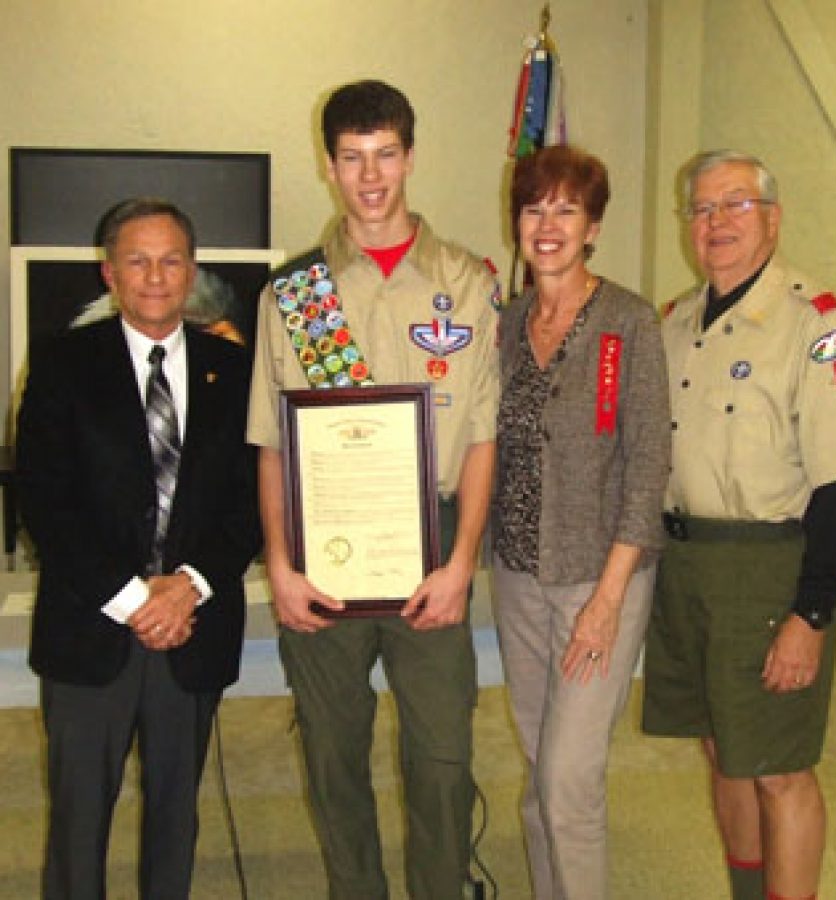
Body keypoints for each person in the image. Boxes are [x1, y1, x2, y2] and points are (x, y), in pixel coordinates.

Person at [246, 80, 499, 899]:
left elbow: (484, 437)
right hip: (326, 553)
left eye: (386, 153)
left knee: (441, 758)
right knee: (332, 754)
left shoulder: (467, 282)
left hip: (432, 546)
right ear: (329, 166)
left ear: (410, 157)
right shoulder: (293, 295)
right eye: (352, 158)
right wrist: (279, 567)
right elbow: (272, 446)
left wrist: (462, 562)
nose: (371, 175)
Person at [642, 150, 836, 900]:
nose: (716, 222)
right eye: (703, 208)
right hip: (687, 567)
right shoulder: (676, 322)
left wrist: (811, 614)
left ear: (773, 218)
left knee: (780, 767)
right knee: (725, 752)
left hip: (770, 571)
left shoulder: (816, 322)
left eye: (736, 205)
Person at [16, 198, 260, 900]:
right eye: (138, 260)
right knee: (78, 822)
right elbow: (46, 499)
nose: (156, 276)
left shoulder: (231, 368)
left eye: (172, 259)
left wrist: (189, 586)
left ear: (192, 271)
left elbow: (249, 501)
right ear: (110, 274)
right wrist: (134, 600)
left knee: (176, 821)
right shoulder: (64, 362)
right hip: (92, 632)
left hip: (194, 628)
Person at [492, 145, 671, 899]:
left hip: (603, 579)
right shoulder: (504, 324)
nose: (548, 224)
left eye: (567, 209)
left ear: (593, 226)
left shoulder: (628, 321)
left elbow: (648, 463)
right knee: (540, 772)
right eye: (535, 208)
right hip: (517, 578)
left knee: (570, 782)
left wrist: (606, 599)